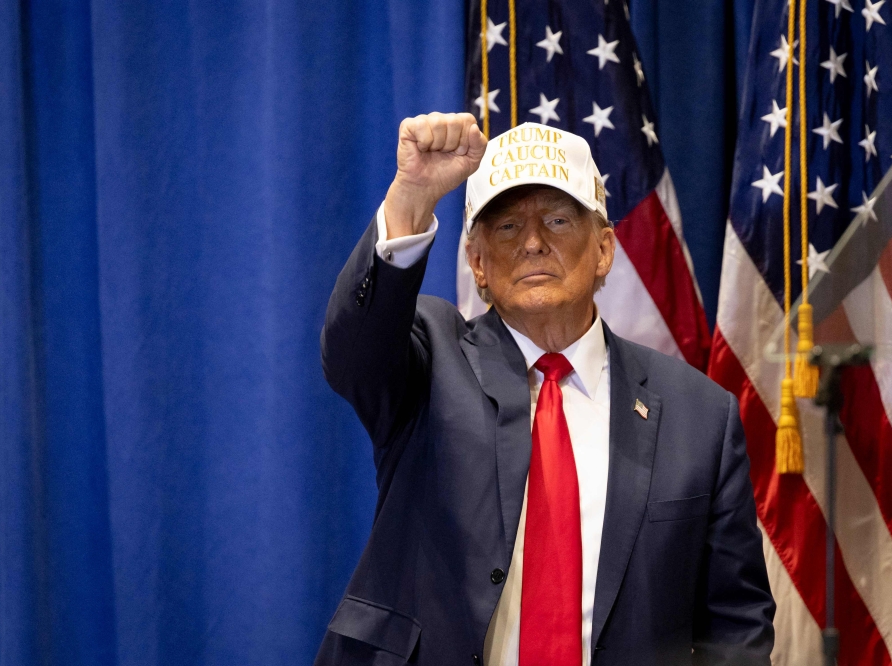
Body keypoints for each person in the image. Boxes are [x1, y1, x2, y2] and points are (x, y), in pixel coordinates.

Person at [317, 112, 774, 666]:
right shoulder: (429, 359)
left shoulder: (699, 415)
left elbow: (736, 628)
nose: (533, 242)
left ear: (604, 249)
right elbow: (353, 352)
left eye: (558, 221)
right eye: (507, 227)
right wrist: (411, 197)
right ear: (477, 264)